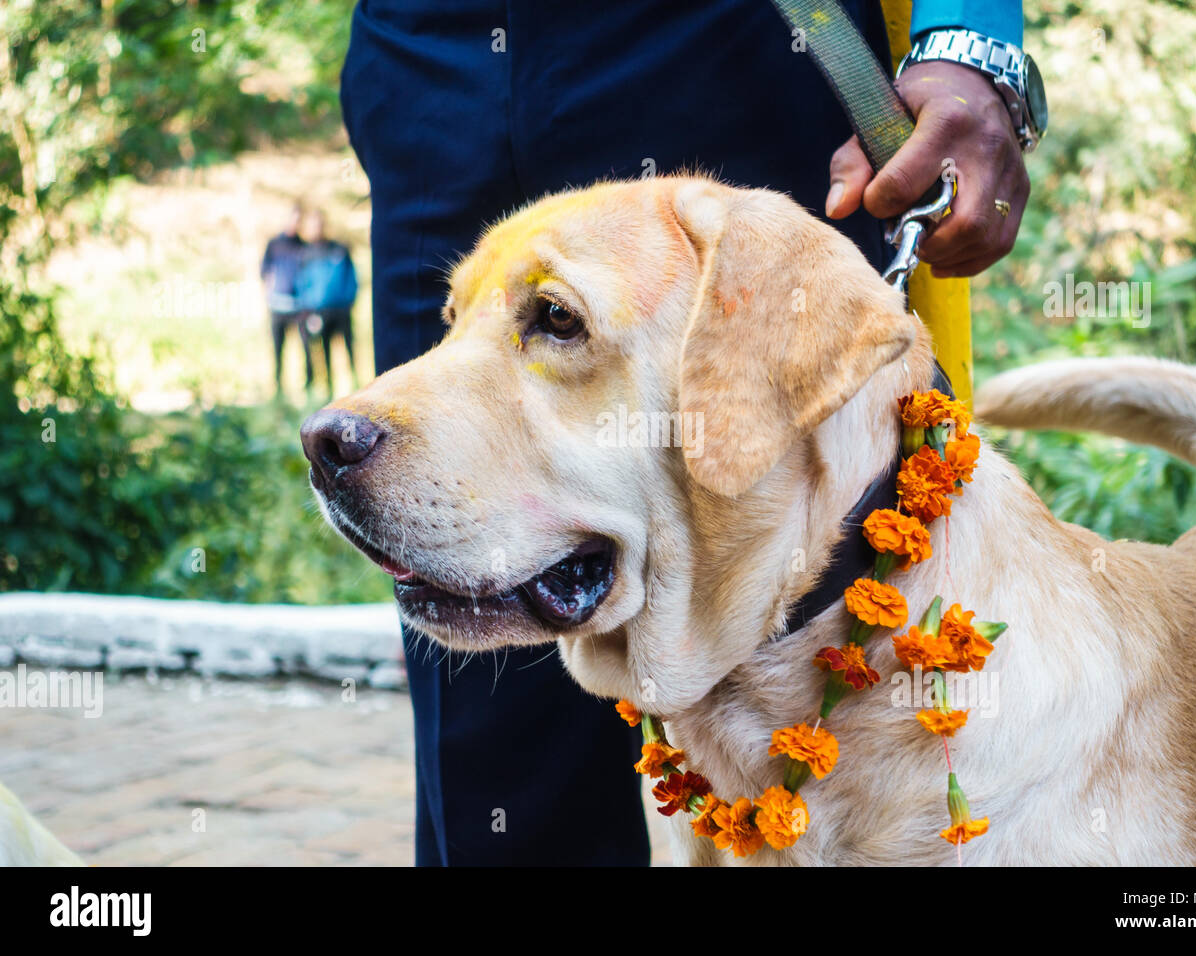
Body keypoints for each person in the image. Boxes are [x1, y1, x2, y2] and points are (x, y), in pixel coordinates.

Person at [340, 0, 1031, 866]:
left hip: (727, 40)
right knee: (494, 747)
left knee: (822, 653)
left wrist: (971, 39)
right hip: (430, 58)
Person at [294, 209, 359, 396]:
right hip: (318, 312)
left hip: (341, 310)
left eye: (320, 223)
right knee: (324, 352)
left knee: (349, 349)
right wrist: (308, 308)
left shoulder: (339, 249)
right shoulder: (306, 253)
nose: (318, 228)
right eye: (314, 224)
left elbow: (351, 278)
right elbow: (302, 283)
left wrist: (349, 301)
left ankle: (356, 383)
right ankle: (328, 390)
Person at [260, 203, 307, 394]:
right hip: (277, 306)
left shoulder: (304, 246)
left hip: (299, 307)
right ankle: (278, 387)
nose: (295, 223)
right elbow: (265, 272)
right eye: (292, 218)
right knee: (278, 350)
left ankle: (309, 387)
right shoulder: (274, 244)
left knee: (306, 349)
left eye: (298, 220)